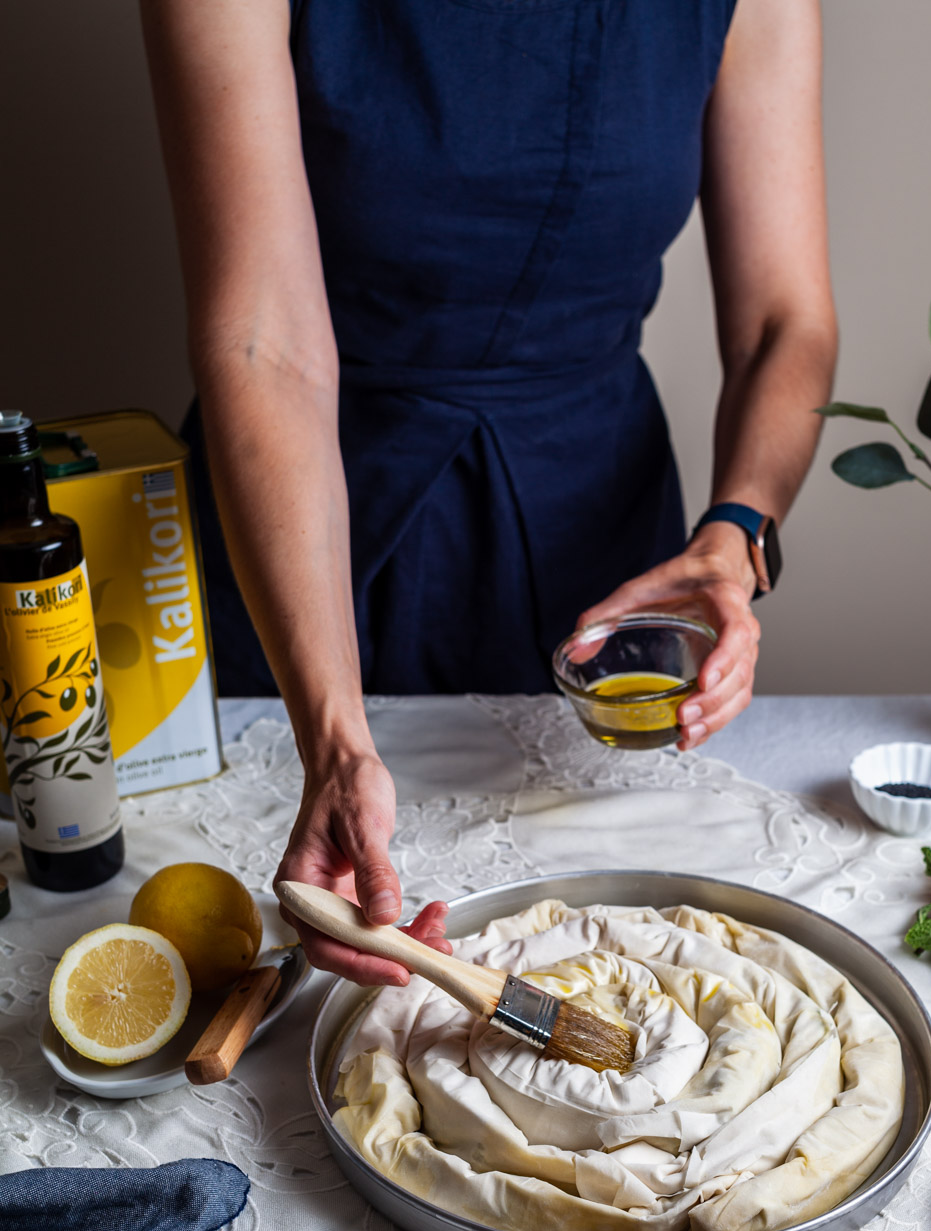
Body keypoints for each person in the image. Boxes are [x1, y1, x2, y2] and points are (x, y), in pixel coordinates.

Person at [141, 0, 837, 987]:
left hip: (597, 556)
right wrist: (334, 740)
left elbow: (785, 320)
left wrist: (735, 531)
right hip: (307, 535)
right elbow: (266, 344)